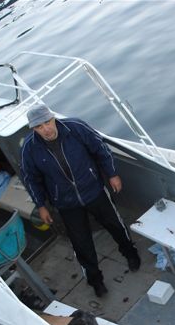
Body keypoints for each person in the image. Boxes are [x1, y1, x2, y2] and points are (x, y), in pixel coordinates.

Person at [20, 103, 140, 297]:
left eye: (47, 122)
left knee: (115, 225)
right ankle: (95, 280)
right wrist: (40, 205)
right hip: (66, 203)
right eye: (39, 127)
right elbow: (31, 179)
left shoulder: (76, 127)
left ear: (53, 118)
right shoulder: (29, 148)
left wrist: (112, 174)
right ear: (34, 129)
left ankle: (130, 254)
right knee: (81, 243)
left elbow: (100, 149)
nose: (46, 129)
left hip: (94, 190)